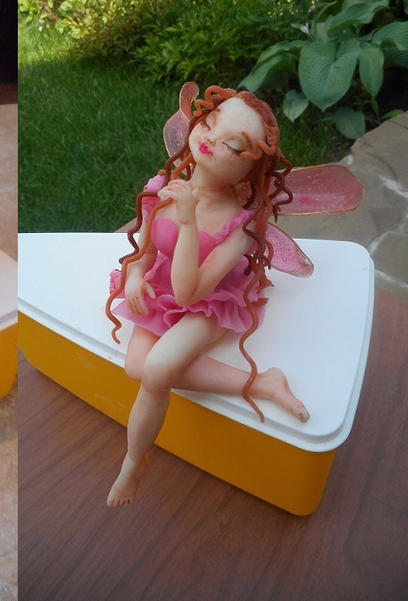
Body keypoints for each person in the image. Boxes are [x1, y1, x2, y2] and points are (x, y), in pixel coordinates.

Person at [105, 85, 309, 508]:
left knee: (158, 368)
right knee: (136, 366)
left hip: (212, 297)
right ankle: (264, 383)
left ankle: (133, 462)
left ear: (250, 169)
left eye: (232, 145)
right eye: (210, 123)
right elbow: (145, 251)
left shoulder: (241, 225)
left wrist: (188, 221)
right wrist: (135, 276)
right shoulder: (163, 186)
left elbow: (190, 292)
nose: (211, 139)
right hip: (164, 286)